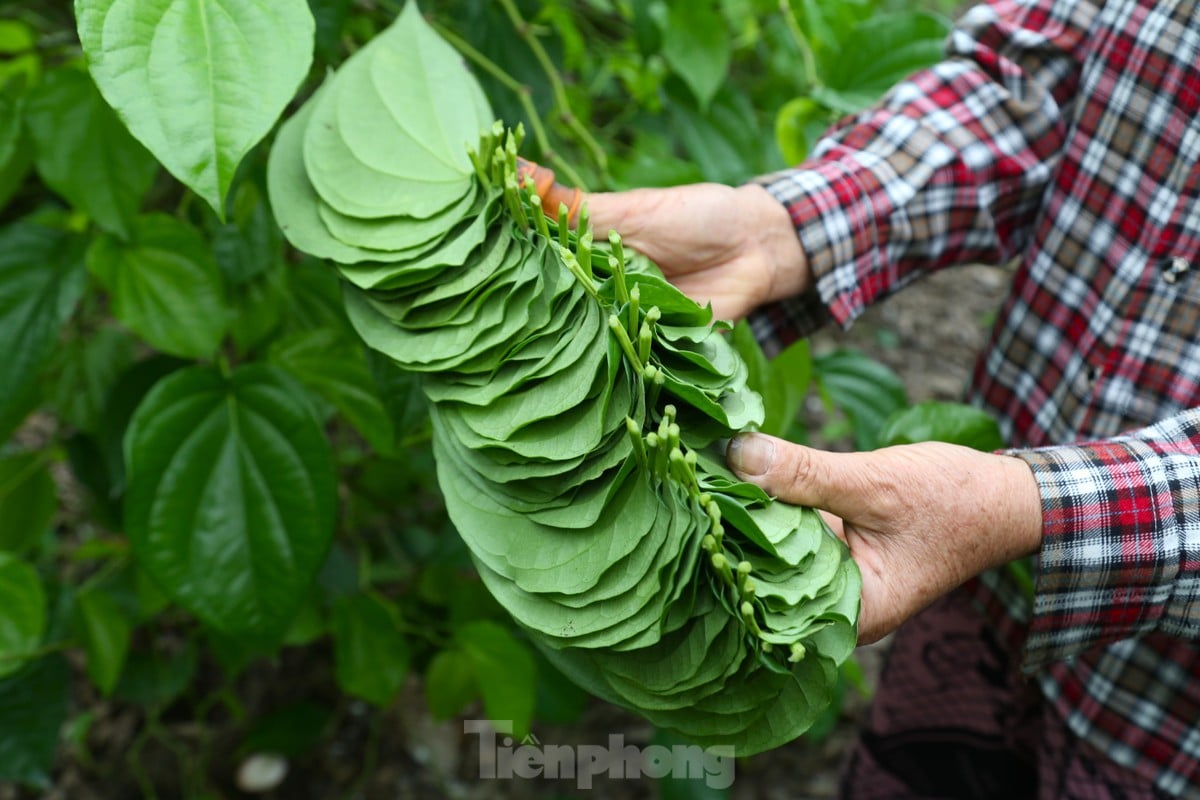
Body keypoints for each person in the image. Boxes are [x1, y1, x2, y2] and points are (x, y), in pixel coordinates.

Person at [531, 0, 1200, 796]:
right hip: (985, 586)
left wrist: (1034, 509)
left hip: (1165, 725)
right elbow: (1033, 85)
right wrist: (784, 228)